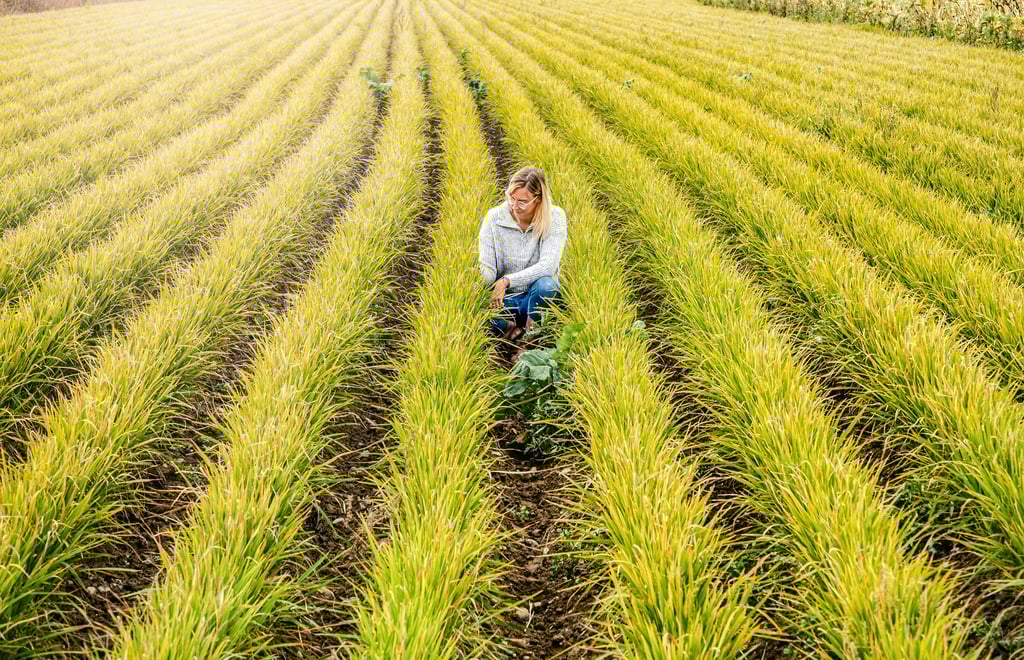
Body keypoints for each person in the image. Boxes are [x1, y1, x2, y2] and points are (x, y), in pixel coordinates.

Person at [478, 166, 568, 343]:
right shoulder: (494, 218)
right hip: (504, 301)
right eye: (511, 198)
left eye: (522, 201)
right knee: (472, 308)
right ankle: (511, 330)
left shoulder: (554, 217)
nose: (514, 206)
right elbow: (487, 267)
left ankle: (529, 341)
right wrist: (478, 283)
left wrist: (506, 281)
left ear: (538, 199)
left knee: (547, 286)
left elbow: (548, 266)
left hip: (536, 299)